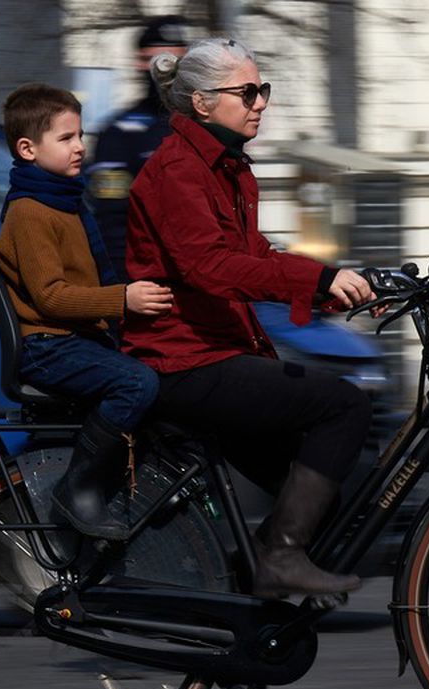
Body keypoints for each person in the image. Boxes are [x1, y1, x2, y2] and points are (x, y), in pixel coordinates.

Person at [122, 38, 377, 598]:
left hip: (218, 352)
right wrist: (317, 281)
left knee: (324, 492)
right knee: (344, 406)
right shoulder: (177, 170)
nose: (260, 102)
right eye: (247, 92)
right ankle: (277, 559)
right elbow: (210, 267)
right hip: (184, 361)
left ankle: (240, 598)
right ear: (203, 103)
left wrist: (334, 286)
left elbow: (257, 256)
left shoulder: (228, 168)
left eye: (262, 89)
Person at [0, 83, 173, 540]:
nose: (80, 147)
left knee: (165, 367)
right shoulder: (30, 211)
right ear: (28, 149)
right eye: (66, 138)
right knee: (136, 383)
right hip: (47, 347)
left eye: (80, 135)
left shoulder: (66, 200)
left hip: (73, 339)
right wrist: (123, 299)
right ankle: (78, 488)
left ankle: (144, 480)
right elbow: (51, 297)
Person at [86, 15, 189, 276]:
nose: (166, 72)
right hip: (150, 281)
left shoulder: (205, 127)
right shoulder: (119, 134)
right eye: (159, 61)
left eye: (176, 61)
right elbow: (112, 222)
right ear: (140, 63)